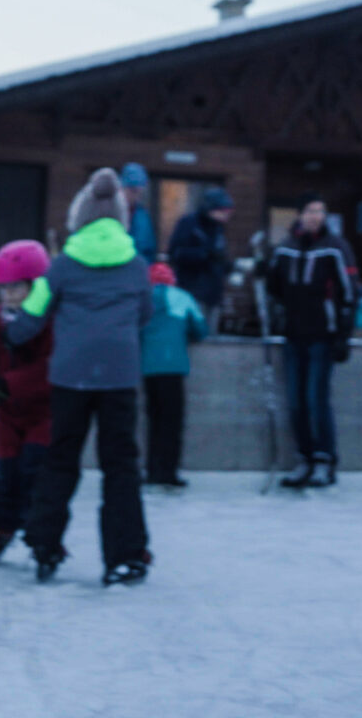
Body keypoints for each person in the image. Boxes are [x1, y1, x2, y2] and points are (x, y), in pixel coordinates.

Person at [8, 168, 155, 586]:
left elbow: (32, 313)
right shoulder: (137, 267)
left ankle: (44, 543)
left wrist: (12, 335)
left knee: (61, 458)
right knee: (121, 465)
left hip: (71, 377)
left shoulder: (63, 266)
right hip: (119, 377)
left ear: (80, 216)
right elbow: (146, 314)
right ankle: (125, 555)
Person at [266, 194, 358, 488]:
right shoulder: (286, 248)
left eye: (320, 211)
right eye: (310, 211)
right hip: (293, 335)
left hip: (323, 335)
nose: (315, 216)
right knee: (295, 401)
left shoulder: (335, 247)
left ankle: (324, 460)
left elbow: (349, 291)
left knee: (315, 399)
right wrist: (263, 269)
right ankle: (304, 458)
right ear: (299, 214)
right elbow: (274, 287)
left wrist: (343, 334)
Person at [0, 239, 55, 563]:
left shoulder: (50, 321)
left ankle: (41, 535)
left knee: (34, 472)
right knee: (6, 473)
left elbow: (48, 367)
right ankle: (3, 527)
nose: (9, 295)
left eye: (16, 288)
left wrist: (6, 385)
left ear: (35, 287)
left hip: (43, 412)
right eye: (3, 289)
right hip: (8, 414)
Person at [141, 261, 209, 488]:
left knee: (153, 421)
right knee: (172, 422)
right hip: (173, 367)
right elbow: (201, 330)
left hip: (147, 368)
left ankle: (152, 470)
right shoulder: (183, 297)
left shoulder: (141, 298)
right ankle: (168, 472)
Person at [166, 186, 234, 332]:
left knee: (210, 336)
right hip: (192, 291)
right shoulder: (189, 224)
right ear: (211, 208)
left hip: (213, 294)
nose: (226, 214)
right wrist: (205, 255)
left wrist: (227, 265)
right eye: (223, 210)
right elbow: (176, 254)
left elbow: (218, 257)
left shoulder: (218, 229)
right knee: (194, 334)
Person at [120, 162, 158, 260]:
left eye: (140, 193)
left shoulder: (143, 216)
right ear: (122, 188)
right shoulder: (109, 213)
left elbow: (149, 249)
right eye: (133, 191)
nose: (136, 197)